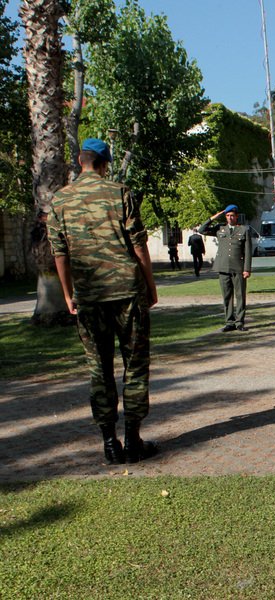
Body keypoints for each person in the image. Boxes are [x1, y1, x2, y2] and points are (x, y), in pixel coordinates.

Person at [47, 137, 159, 464]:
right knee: (135, 365)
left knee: (99, 368)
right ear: (105, 163)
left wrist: (69, 294)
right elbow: (139, 246)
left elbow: (60, 253)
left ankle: (109, 442)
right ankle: (133, 439)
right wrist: (149, 285)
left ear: (81, 162)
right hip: (127, 292)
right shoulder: (120, 193)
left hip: (89, 297)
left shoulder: (60, 200)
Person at [199, 204, 253, 332]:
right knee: (227, 296)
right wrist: (213, 217)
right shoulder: (220, 228)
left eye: (232, 216)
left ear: (236, 217)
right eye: (227, 216)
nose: (230, 218)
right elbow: (202, 230)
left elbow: (248, 251)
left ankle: (239, 322)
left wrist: (247, 269)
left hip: (238, 268)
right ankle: (229, 322)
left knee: (240, 296)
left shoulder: (244, 230)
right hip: (223, 267)